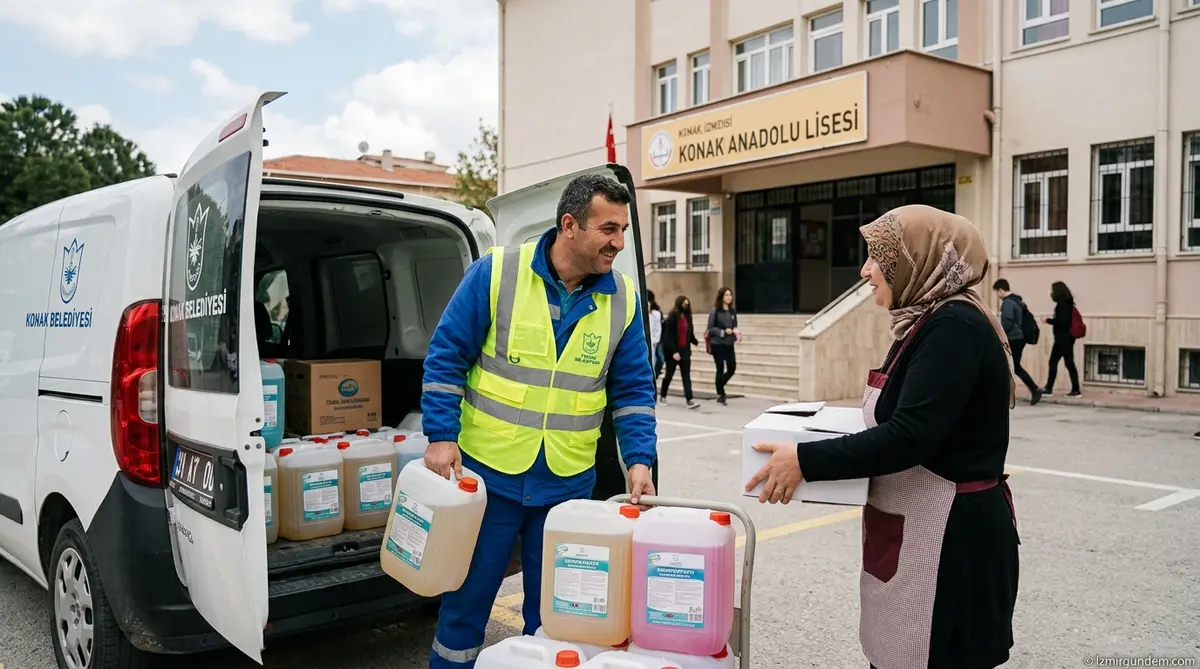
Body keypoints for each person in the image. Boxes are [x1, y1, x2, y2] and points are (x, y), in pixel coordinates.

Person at [744, 204, 1020, 669]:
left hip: (952, 547)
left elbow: (910, 436)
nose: (866, 270)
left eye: (878, 258)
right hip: (918, 535)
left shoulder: (953, 327)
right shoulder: (925, 321)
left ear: (915, 261)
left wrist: (805, 461)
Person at [419, 173, 659, 668]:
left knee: (557, 616)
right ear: (570, 225)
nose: (618, 243)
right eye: (608, 229)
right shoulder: (497, 274)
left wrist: (639, 459)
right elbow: (447, 355)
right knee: (465, 607)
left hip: (568, 486)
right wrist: (441, 436)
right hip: (487, 479)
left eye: (623, 231)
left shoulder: (625, 299)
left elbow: (634, 390)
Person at [992, 278, 1041, 405]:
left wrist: (1001, 334)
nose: (997, 296)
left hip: (1013, 338)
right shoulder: (1018, 301)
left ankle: (1032, 390)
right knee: (1014, 367)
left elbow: (1007, 323)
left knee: (1005, 366)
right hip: (1019, 338)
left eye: (997, 292)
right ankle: (1034, 389)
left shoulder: (1008, 303)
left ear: (1001, 290)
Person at [659, 294, 699, 409]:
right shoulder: (672, 317)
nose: (686, 306)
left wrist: (695, 341)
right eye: (684, 304)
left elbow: (689, 333)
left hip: (685, 350)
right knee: (669, 375)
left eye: (687, 304)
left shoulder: (688, 317)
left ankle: (690, 399)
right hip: (673, 351)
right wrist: (673, 352)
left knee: (686, 375)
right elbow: (668, 337)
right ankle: (663, 395)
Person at [1043, 280, 1081, 397]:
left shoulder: (1063, 305)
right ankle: (1075, 389)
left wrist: (1048, 320)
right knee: (1068, 363)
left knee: (1056, 362)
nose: (1050, 292)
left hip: (1063, 339)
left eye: (1052, 290)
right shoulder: (1067, 304)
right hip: (1065, 339)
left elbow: (1062, 322)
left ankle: (1049, 389)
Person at [706, 286, 739, 405]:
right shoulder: (715, 310)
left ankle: (719, 385)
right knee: (720, 368)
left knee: (732, 367)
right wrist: (723, 332)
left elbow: (734, 325)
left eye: (730, 295)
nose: (729, 297)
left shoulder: (732, 311)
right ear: (721, 297)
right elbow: (710, 328)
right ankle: (721, 393)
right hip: (717, 343)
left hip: (729, 343)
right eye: (726, 295)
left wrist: (736, 333)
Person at [648, 289, 664, 380]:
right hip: (648, 341)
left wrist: (655, 341)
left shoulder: (656, 313)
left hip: (655, 341)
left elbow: (658, 328)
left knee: (659, 360)